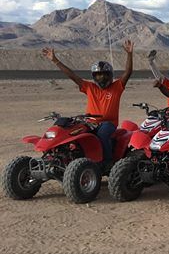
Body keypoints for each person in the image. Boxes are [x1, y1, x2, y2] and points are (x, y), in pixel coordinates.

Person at [42, 40, 135, 169]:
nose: (101, 78)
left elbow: (128, 72)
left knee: (102, 134)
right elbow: (73, 76)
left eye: (104, 75)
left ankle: (107, 162)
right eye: (98, 75)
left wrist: (129, 54)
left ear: (110, 75)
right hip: (90, 122)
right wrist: (55, 60)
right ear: (94, 76)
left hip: (108, 123)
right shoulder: (90, 87)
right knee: (72, 133)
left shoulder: (117, 87)